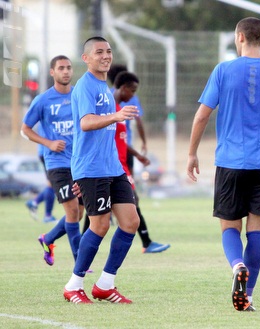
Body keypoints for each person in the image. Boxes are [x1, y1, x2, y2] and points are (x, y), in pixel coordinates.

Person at [187, 17, 260, 312]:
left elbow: (202, 115)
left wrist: (191, 153)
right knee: (257, 231)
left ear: (239, 37)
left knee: (229, 226)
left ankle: (237, 264)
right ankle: (248, 293)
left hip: (230, 162)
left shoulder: (224, 70)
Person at [63, 36, 139, 304]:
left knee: (131, 222)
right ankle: (74, 284)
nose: (106, 56)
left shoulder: (104, 86)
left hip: (112, 168)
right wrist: (116, 116)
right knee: (100, 225)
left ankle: (105, 284)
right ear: (86, 58)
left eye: (108, 51)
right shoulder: (85, 86)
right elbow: (85, 123)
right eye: (99, 52)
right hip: (93, 168)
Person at [21, 55, 84, 266]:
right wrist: (48, 143)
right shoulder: (43, 100)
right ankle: (80, 265)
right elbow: (25, 129)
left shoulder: (79, 95)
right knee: (73, 211)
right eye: (61, 68)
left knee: (80, 212)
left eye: (68, 68)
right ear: (52, 72)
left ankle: (47, 239)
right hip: (57, 164)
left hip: (80, 163)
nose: (65, 71)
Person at [112, 70, 170, 253]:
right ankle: (146, 242)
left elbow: (121, 141)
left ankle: (146, 242)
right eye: (133, 91)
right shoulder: (110, 110)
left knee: (100, 213)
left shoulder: (118, 109)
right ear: (123, 88)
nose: (134, 96)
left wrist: (137, 154)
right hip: (112, 167)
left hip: (121, 166)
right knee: (96, 214)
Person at [25, 139, 56, 223]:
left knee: (52, 184)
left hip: (48, 152)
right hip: (50, 152)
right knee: (52, 184)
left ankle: (34, 202)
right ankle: (47, 216)